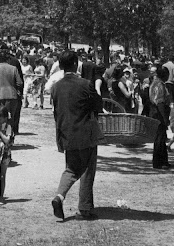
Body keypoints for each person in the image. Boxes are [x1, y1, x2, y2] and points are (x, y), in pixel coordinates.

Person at [50, 51, 103, 221]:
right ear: (75, 64)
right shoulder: (85, 84)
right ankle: (84, 209)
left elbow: (56, 112)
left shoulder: (56, 87)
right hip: (85, 133)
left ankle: (59, 196)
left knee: (71, 169)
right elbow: (98, 104)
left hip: (66, 133)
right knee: (87, 170)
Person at [0, 51, 23, 134]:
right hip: (12, 95)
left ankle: (1, 135)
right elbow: (19, 82)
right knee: (10, 118)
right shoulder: (13, 68)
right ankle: (9, 136)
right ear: (8, 59)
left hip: (0, 95)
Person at [149, 67, 172, 169]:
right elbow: (160, 103)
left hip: (155, 113)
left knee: (161, 137)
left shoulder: (155, 83)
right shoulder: (159, 85)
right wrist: (164, 118)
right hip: (158, 114)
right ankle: (158, 162)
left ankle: (163, 161)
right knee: (159, 137)